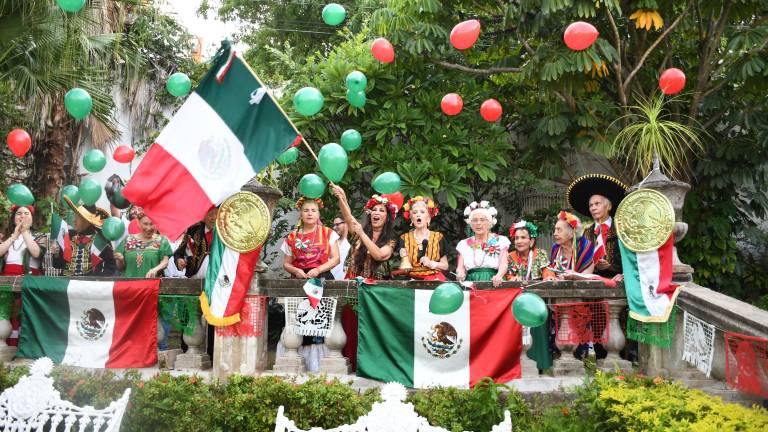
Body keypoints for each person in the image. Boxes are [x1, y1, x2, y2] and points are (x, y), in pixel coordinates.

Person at [566, 174, 627, 281]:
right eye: (591, 205)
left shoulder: (622, 229)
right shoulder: (586, 233)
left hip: (618, 281)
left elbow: (630, 260)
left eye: (597, 204)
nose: (593, 208)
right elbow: (581, 262)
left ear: (609, 206)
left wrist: (616, 270)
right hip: (592, 283)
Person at [0, 205, 46, 347]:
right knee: (6, 313)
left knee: (25, 314)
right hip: (6, 282)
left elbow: (36, 253)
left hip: (28, 281)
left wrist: (25, 232)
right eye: (19, 213)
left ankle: (24, 346)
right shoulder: (7, 237)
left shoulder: (39, 236)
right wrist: (14, 236)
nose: (22, 216)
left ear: (32, 219)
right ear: (14, 218)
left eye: (26, 214)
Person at [332, 186, 397, 280]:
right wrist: (342, 197)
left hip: (376, 287)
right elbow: (348, 217)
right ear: (370, 214)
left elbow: (379, 255)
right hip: (353, 283)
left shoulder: (390, 239)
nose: (376, 213)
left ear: (387, 218)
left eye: (381, 210)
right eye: (374, 210)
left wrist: (362, 234)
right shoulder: (359, 232)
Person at [51, 197, 117, 276]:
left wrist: (96, 280)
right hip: (68, 284)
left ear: (87, 221)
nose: (74, 220)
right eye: (75, 216)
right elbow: (58, 266)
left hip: (89, 286)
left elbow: (111, 266)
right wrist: (56, 255)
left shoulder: (101, 241)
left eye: (77, 217)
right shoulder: (68, 235)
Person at [281, 197, 340, 279]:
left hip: (323, 278)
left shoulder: (328, 233)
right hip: (300, 279)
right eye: (306, 210)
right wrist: (295, 271)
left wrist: (318, 270)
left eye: (313, 210)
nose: (309, 213)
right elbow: (286, 263)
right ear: (301, 214)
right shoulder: (292, 237)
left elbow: (336, 259)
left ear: (318, 214)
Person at [455, 200, 510, 287]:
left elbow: (504, 263)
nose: (478, 223)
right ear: (470, 223)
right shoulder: (464, 244)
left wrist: (499, 275)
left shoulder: (500, 240)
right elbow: (460, 267)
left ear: (489, 222)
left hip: (493, 282)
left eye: (482, 220)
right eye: (475, 220)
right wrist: (460, 273)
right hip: (470, 283)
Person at [396, 196, 449, 280]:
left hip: (434, 279)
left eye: (422, 212)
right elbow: (403, 267)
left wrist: (432, 264)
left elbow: (445, 266)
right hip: (411, 280)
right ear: (411, 219)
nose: (418, 215)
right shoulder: (404, 238)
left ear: (428, 218)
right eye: (415, 212)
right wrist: (403, 258)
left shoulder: (438, 237)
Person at [114, 212, 172, 278]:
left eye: (152, 224)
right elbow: (120, 268)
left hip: (152, 285)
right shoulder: (128, 239)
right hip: (129, 285)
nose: (149, 228)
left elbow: (165, 262)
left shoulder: (162, 240)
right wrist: (120, 260)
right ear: (138, 224)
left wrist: (155, 269)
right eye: (145, 224)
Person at [545, 211, 594, 278]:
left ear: (572, 233)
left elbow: (588, 275)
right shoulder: (555, 248)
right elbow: (552, 270)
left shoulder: (585, 246)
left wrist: (575, 276)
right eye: (555, 230)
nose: (555, 234)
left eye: (559, 230)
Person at [174, 207, 217, 279]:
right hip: (194, 277)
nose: (214, 217)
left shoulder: (227, 231)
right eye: (210, 214)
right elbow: (179, 253)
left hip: (218, 280)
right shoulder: (193, 229)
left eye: (216, 214)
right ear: (204, 216)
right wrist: (179, 261)